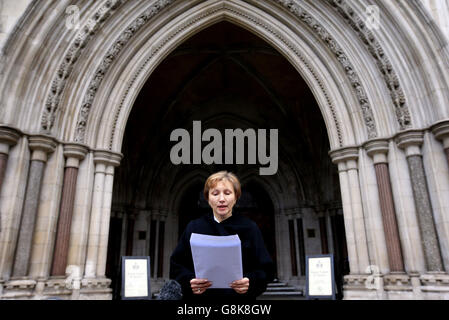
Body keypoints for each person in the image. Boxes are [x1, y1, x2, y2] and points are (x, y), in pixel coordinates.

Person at [169, 171, 275, 301]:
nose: (221, 199)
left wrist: (250, 281)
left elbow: (266, 270)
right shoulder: (194, 227)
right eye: (215, 193)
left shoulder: (250, 228)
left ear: (236, 196)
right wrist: (189, 281)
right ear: (208, 198)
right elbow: (176, 266)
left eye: (227, 193)